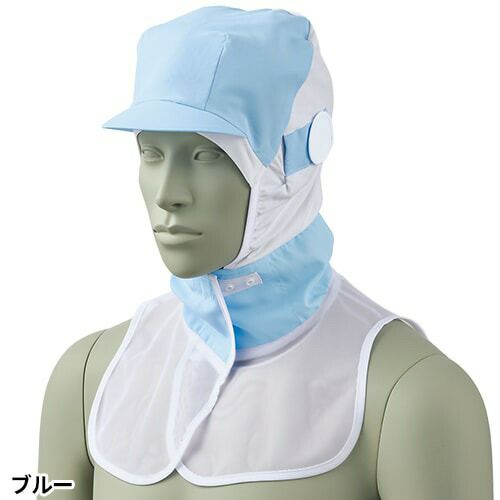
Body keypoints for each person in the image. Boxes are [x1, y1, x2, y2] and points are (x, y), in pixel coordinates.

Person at [38, 6, 493, 499]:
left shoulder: (410, 395)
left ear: (288, 166)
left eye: (207, 154)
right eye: (152, 152)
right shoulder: (87, 378)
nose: (168, 193)